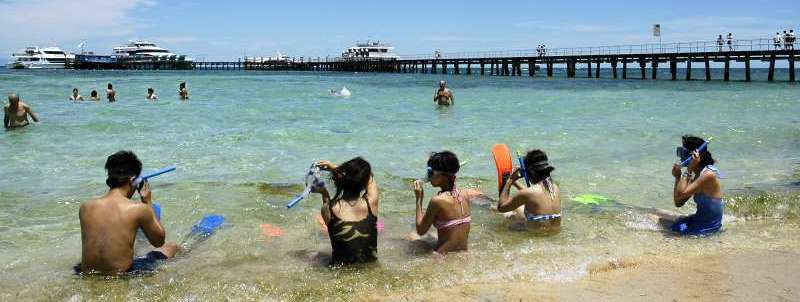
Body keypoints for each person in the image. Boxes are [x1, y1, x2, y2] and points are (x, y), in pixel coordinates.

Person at [77, 151, 179, 275]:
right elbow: (158, 242)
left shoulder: (86, 207)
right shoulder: (139, 208)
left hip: (86, 273)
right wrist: (148, 203)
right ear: (133, 180)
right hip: (122, 275)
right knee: (172, 247)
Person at [312, 157, 379, 265]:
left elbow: (326, 202)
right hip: (370, 266)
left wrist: (323, 191)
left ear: (339, 182)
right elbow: (369, 177)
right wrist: (336, 168)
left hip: (339, 271)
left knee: (308, 254)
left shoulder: (329, 209)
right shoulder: (371, 203)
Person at [413, 151, 471, 254]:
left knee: (412, 237)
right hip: (463, 255)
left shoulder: (437, 200)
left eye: (430, 172)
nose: (428, 176)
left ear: (442, 176)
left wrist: (419, 199)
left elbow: (420, 230)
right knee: (431, 235)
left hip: (441, 257)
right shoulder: (465, 194)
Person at [667, 136, 724, 236]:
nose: (680, 156)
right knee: (660, 217)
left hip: (707, 228)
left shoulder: (708, 175)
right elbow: (678, 202)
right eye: (679, 151)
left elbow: (679, 195)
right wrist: (677, 177)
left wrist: (688, 170)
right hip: (699, 220)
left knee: (668, 230)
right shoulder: (697, 175)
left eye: (682, 152)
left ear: (693, 155)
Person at [496, 150, 561, 229]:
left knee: (507, 214)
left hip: (535, 235)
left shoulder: (528, 193)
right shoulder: (555, 187)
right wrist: (515, 183)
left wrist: (509, 182)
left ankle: (484, 203)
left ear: (530, 173)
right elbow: (533, 196)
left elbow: (501, 208)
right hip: (553, 232)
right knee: (519, 207)